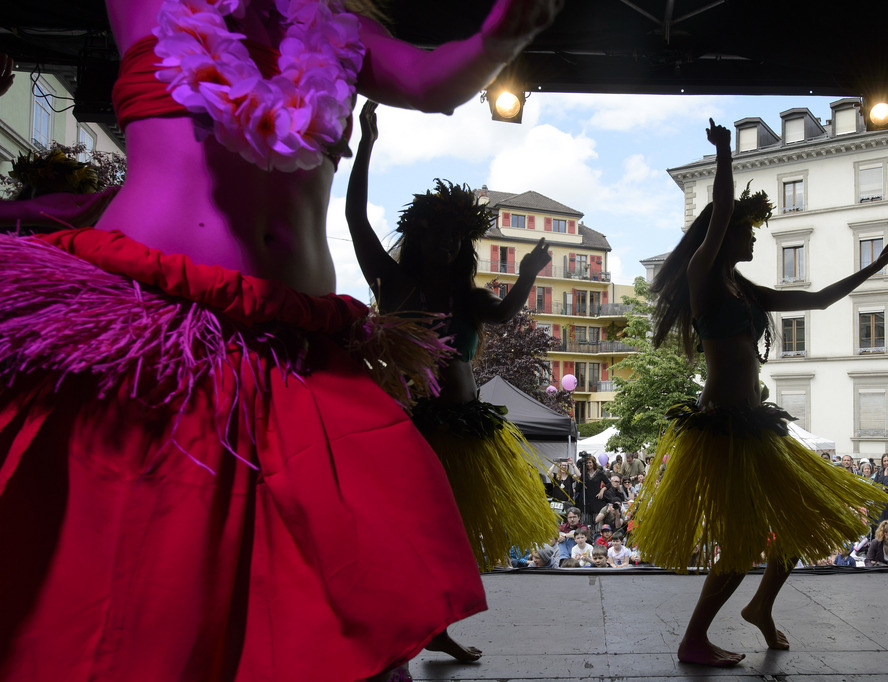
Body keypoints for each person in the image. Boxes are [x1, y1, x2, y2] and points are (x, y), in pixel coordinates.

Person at [0, 1, 564, 680]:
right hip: (157, 338)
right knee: (150, 610)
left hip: (297, 353)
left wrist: (497, 37)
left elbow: (425, 79)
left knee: (370, 598)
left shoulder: (338, 26)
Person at [629, 119, 888, 667]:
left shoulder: (744, 289)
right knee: (744, 541)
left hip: (756, 428)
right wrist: (726, 155)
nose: (754, 236)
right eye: (747, 230)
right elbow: (723, 210)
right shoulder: (705, 274)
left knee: (797, 527)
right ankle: (693, 639)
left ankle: (759, 608)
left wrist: (879, 263)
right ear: (724, 234)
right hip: (724, 429)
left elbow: (820, 300)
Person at [347, 101, 559, 576]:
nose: (447, 243)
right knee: (412, 532)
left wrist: (526, 276)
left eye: (455, 237)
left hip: (466, 428)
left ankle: (438, 626)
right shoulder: (395, 284)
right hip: (414, 424)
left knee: (455, 535)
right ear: (418, 238)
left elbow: (504, 313)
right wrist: (365, 148)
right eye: (437, 234)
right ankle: (406, 632)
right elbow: (358, 224)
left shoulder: (468, 298)